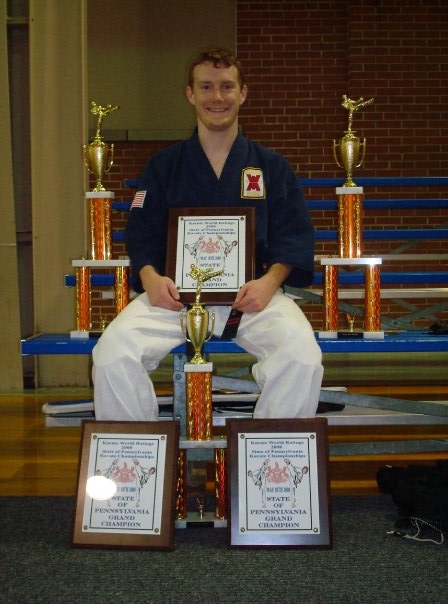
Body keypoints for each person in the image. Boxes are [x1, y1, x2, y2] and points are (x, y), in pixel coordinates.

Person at [92, 47, 323, 421]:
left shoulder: (271, 167)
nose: (217, 97)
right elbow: (141, 233)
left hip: (252, 297)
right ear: (190, 94)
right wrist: (150, 278)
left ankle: (267, 467)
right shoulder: (163, 166)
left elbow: (293, 235)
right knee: (111, 355)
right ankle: (138, 469)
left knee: (302, 357)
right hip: (173, 298)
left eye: (227, 87)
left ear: (243, 93)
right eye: (206, 87)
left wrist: (269, 282)